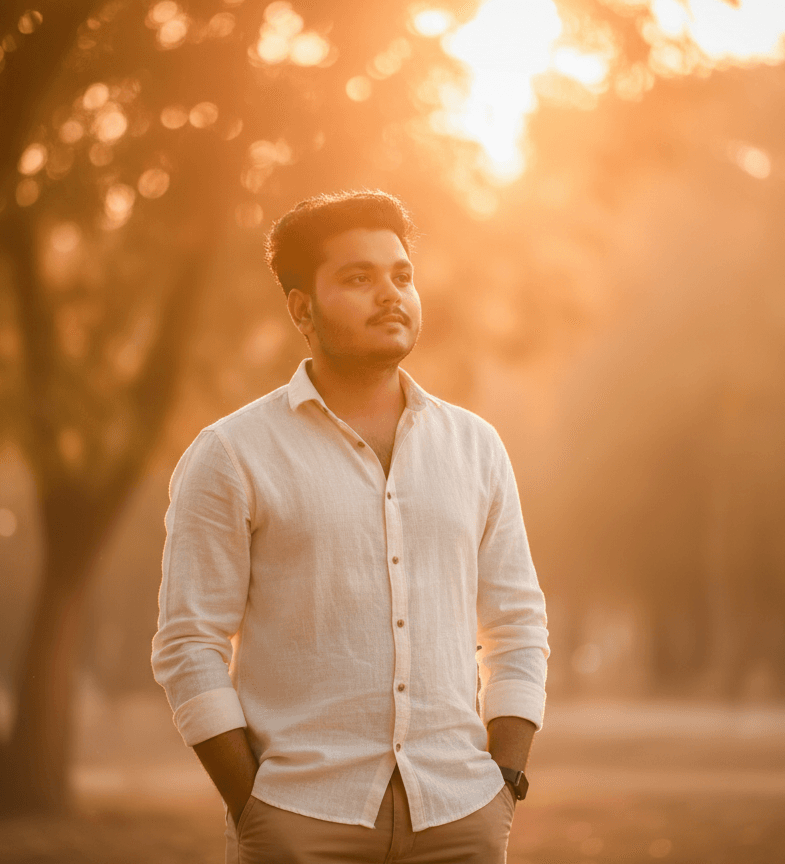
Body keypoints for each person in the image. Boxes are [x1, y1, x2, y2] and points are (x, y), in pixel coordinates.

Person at [152, 190, 549, 863]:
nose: (390, 294)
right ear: (301, 307)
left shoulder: (475, 446)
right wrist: (253, 807)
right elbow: (189, 644)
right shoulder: (232, 454)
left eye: (401, 275)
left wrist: (502, 780)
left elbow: (517, 620)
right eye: (358, 278)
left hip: (460, 815)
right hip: (301, 819)